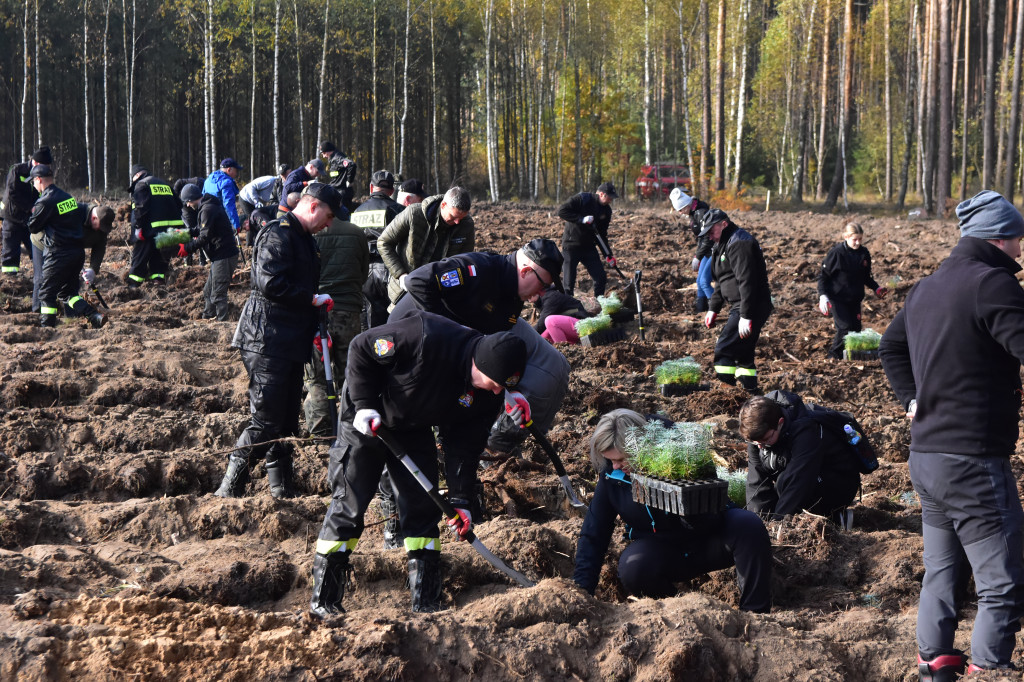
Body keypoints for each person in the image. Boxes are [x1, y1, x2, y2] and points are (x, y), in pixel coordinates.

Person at [879, 190, 1024, 678]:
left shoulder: (927, 286)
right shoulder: (992, 285)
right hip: (972, 462)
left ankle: (933, 670)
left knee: (941, 574)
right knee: (1002, 582)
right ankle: (989, 669)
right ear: (999, 238)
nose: (1022, 248)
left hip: (927, 458)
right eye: (1019, 238)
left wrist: (912, 400)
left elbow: (890, 345)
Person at [308, 311, 528, 616]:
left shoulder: (488, 393)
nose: (495, 391)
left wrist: (461, 499)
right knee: (351, 502)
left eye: (500, 388)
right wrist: (364, 405)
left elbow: (463, 447)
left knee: (423, 508)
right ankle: (324, 602)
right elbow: (361, 347)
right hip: (368, 418)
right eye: (492, 383)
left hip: (414, 426)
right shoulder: (427, 336)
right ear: (480, 364)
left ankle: (425, 602)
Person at [214, 182, 342, 500]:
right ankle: (229, 489)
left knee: (286, 422)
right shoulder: (278, 233)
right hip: (266, 339)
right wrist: (312, 299)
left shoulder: (306, 242)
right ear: (312, 207)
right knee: (267, 421)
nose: (329, 224)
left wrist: (314, 329)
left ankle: (281, 489)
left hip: (290, 342)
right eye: (328, 216)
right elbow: (271, 282)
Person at [573, 409, 771, 612]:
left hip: (708, 537)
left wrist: (687, 508)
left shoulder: (682, 455)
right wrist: (581, 592)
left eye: (622, 459)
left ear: (640, 448)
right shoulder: (611, 473)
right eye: (610, 460)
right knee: (633, 568)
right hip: (663, 549)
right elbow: (594, 533)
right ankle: (681, 611)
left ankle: (755, 614)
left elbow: (712, 516)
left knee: (748, 526)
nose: (615, 466)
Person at [389, 237, 564, 334]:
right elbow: (417, 281)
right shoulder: (477, 269)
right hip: (404, 336)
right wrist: (451, 331)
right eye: (543, 285)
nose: (542, 293)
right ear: (525, 272)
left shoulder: (514, 300)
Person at [739, 391, 861, 523]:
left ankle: (833, 517)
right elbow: (756, 482)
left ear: (780, 423)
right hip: (805, 477)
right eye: (755, 443)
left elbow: (798, 480)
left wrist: (778, 523)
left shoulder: (806, 431)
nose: (760, 447)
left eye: (765, 440)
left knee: (783, 483)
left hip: (838, 483)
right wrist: (759, 523)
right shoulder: (758, 437)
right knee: (777, 490)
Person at [302, 207, 370, 437]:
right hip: (348, 311)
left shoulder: (310, 232)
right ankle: (351, 431)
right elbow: (364, 272)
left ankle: (321, 434)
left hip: (317, 309)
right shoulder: (356, 232)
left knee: (317, 377)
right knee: (349, 373)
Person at [701, 209, 773, 394]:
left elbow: (747, 281)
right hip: (741, 304)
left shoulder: (739, 243)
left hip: (751, 304)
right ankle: (751, 393)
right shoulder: (721, 243)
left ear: (723, 224)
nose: (709, 236)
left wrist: (745, 315)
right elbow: (722, 280)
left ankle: (728, 393)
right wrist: (713, 308)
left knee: (724, 349)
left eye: (711, 231)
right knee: (744, 354)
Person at [26, 165, 106, 329]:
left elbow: (33, 227)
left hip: (58, 254)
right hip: (77, 252)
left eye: (33, 182)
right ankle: (95, 316)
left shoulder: (45, 201)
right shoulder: (68, 198)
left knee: (46, 293)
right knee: (67, 293)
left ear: (38, 180)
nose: (33, 185)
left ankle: (47, 328)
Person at [377, 186, 475, 309]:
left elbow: (464, 260)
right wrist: (401, 274)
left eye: (461, 218)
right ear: (443, 205)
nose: (457, 222)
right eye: (453, 217)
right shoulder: (414, 214)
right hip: (405, 290)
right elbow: (384, 242)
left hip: (440, 294)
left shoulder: (466, 225)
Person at [817, 222, 888, 359]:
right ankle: (833, 356)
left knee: (855, 330)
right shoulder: (836, 253)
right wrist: (822, 296)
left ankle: (850, 356)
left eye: (860, 239)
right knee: (845, 328)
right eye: (854, 239)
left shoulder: (864, 253)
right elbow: (823, 277)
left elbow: (866, 277)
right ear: (846, 237)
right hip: (837, 298)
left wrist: (876, 288)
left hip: (855, 298)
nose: (857, 242)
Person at [176, 184, 240, 321]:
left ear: (192, 199)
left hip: (224, 255)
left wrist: (187, 249)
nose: (187, 206)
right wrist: (184, 233)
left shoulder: (208, 209)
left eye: (188, 202)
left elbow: (204, 237)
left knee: (218, 294)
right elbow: (201, 229)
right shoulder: (206, 206)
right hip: (219, 256)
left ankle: (222, 324)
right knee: (208, 291)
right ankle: (207, 318)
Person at [351, 170, 403, 328]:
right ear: (392, 191)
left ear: (371, 188)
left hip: (364, 271)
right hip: (389, 269)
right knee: (394, 317)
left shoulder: (357, 211)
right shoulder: (398, 210)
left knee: (369, 319)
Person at [557, 181, 618, 297]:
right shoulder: (583, 199)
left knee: (600, 278)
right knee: (569, 284)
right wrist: (581, 219)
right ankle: (567, 309)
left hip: (589, 248)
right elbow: (562, 211)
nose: (611, 200)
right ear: (601, 194)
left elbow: (602, 235)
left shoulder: (606, 211)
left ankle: (599, 304)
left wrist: (608, 254)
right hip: (571, 246)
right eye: (609, 197)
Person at [127, 164, 183, 286]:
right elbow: (179, 205)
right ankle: (158, 283)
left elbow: (140, 209)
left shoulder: (142, 185)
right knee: (159, 260)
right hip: (170, 231)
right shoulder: (165, 185)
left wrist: (138, 228)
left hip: (149, 230)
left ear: (137, 175)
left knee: (139, 259)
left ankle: (133, 286)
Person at [1, 146, 50, 276]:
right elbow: (12, 193)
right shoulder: (17, 170)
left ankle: (43, 276)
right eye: (42, 167)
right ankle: (10, 281)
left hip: (30, 219)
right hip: (13, 217)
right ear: (35, 162)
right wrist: (30, 207)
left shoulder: (43, 175)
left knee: (37, 248)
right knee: (10, 252)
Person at [670, 187, 713, 313]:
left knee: (704, 282)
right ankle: (701, 311)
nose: (680, 213)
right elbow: (701, 239)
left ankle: (717, 307)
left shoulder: (701, 213)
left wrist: (698, 256)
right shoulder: (694, 212)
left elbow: (707, 238)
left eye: (681, 210)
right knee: (699, 282)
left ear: (687, 205)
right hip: (705, 251)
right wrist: (697, 255)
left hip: (713, 250)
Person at [203, 158, 244, 234]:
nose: (236, 174)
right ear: (229, 170)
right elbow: (229, 205)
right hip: (220, 218)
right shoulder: (227, 182)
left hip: (205, 217)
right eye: (236, 171)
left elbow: (202, 197)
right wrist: (236, 225)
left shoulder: (208, 180)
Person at [319, 141, 358, 211]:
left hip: (342, 193)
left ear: (329, 151)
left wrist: (350, 180)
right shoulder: (333, 159)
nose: (324, 156)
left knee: (342, 215)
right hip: (337, 191)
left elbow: (351, 164)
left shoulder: (338, 158)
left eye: (324, 153)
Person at [79, 203, 115, 279]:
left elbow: (100, 247)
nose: (100, 230)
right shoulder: (75, 210)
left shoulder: (101, 230)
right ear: (94, 218)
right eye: (100, 226)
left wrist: (93, 269)